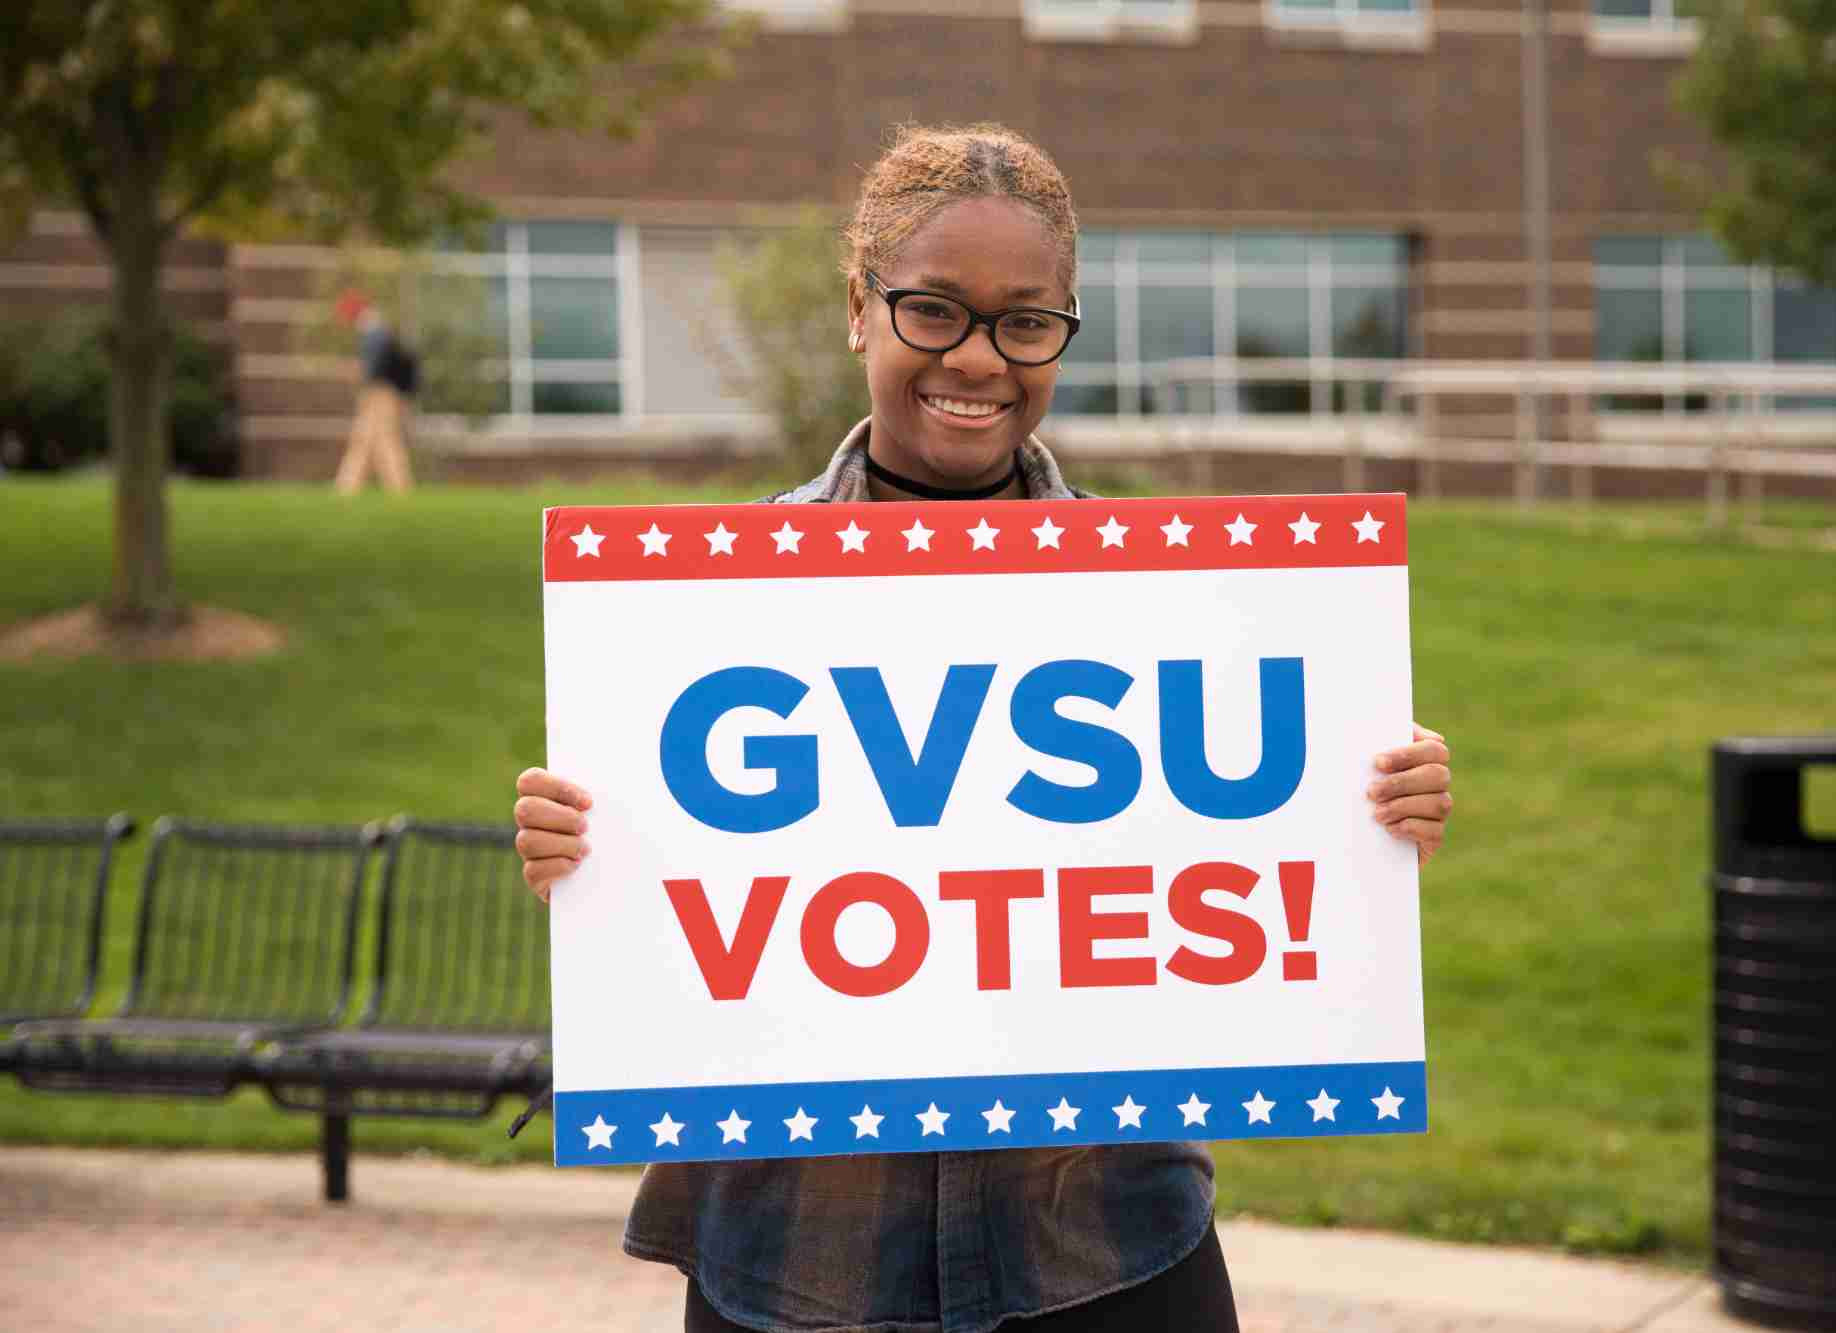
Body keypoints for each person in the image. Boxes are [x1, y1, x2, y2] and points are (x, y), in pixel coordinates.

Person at [512, 123, 1456, 1333]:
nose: (978, 358)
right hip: (801, 1264)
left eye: (1024, 321)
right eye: (934, 311)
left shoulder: (1186, 613)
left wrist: (1368, 813)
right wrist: (584, 855)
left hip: (1103, 1249)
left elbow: (1251, 882)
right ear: (859, 308)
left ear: (1064, 329)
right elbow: (669, 925)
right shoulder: (703, 607)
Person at [332, 290, 418, 494]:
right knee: (366, 440)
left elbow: (372, 371)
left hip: (379, 395)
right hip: (382, 393)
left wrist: (356, 374)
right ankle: (348, 486)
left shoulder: (375, 333)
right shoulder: (379, 332)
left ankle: (398, 487)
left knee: (382, 440)